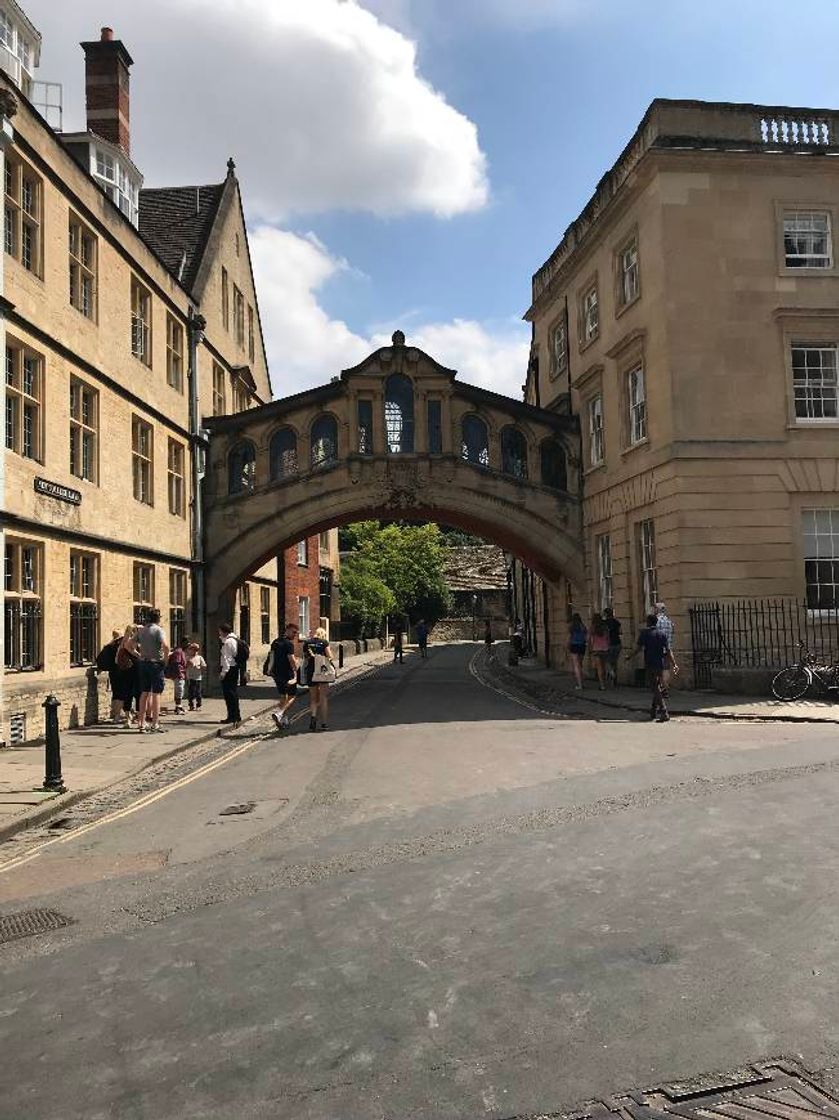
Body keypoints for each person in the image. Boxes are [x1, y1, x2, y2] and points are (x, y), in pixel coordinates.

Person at [629, 612, 679, 722]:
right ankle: (653, 710)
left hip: (650, 662)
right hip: (660, 663)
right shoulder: (662, 634)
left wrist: (630, 656)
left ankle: (663, 711)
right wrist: (674, 664)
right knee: (656, 686)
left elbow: (638, 649)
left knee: (654, 687)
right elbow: (668, 650)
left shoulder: (645, 634)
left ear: (648, 622)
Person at [136, 609, 169, 734]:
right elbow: (166, 646)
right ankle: (155, 723)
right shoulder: (158, 630)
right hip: (155, 664)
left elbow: (129, 644)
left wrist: (139, 655)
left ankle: (141, 723)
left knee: (144, 693)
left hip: (143, 663)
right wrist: (165, 661)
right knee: (156, 694)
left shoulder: (142, 630)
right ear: (158, 618)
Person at [268, 622, 300, 732]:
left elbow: (272, 657)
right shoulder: (288, 644)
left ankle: (283, 720)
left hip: (276, 673)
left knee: (283, 696)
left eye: (296, 633)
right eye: (294, 632)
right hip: (288, 674)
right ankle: (280, 713)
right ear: (288, 630)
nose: (295, 635)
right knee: (292, 696)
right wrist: (297, 670)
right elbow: (291, 659)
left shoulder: (275, 642)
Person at [305, 626, 335, 731]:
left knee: (313, 698)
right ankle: (324, 723)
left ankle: (313, 717)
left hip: (311, 671)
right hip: (322, 671)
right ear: (323, 634)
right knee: (323, 698)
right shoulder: (324, 642)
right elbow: (330, 656)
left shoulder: (307, 642)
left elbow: (305, 657)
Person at [113, 625, 140, 725]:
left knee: (127, 694)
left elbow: (117, 659)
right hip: (133, 670)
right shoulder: (130, 642)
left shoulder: (121, 643)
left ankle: (129, 717)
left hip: (124, 671)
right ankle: (136, 717)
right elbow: (137, 655)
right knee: (137, 693)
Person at [96, 629, 123, 722]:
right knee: (124, 693)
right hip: (122, 672)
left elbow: (99, 659)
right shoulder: (122, 647)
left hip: (113, 672)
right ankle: (121, 714)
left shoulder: (108, 647)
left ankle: (116, 714)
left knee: (116, 693)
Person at [218, 623, 241, 726]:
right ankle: (236, 715)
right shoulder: (235, 639)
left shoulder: (227, 642)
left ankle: (231, 716)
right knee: (233, 693)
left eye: (220, 631)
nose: (219, 633)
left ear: (223, 631)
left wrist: (223, 673)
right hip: (234, 668)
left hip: (229, 670)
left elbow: (227, 658)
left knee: (229, 694)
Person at [655, 602, 676, 688]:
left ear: (657, 610)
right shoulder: (669, 621)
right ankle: (666, 685)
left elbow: (654, 634)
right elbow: (672, 633)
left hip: (658, 648)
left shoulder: (656, 621)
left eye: (655, 608)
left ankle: (661, 686)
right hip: (668, 648)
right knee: (666, 668)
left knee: (657, 669)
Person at [166, 638, 188, 715]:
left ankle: (179, 706)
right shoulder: (179, 652)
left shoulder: (181, 651)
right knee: (179, 690)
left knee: (180, 690)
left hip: (181, 673)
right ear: (183, 643)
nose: (188, 646)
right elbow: (177, 664)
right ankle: (178, 707)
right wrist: (179, 674)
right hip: (179, 674)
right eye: (187, 644)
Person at [568, 612, 587, 690]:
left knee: (576, 665)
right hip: (582, 645)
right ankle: (581, 682)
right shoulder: (583, 626)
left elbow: (569, 638)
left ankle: (580, 684)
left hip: (574, 645)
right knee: (580, 664)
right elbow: (586, 635)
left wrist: (567, 646)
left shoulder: (571, 627)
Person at [589, 613, 609, 690]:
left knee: (599, 668)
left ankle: (602, 685)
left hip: (596, 649)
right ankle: (609, 674)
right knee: (604, 666)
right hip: (604, 648)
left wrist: (590, 649)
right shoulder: (605, 627)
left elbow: (590, 639)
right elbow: (607, 637)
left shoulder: (592, 628)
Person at [604, 607, 622, 686]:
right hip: (617, 643)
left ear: (605, 614)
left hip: (609, 644)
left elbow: (604, 634)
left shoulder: (604, 623)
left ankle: (612, 673)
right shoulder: (616, 622)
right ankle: (614, 681)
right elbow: (620, 632)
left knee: (607, 661)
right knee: (614, 662)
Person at [185, 642, 206, 711]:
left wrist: (198, 666)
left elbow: (204, 666)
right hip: (190, 677)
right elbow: (184, 666)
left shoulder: (199, 658)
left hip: (198, 677)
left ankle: (198, 705)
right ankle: (191, 705)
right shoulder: (187, 658)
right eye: (192, 649)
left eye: (196, 650)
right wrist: (188, 664)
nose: (194, 651)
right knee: (191, 692)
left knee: (198, 692)